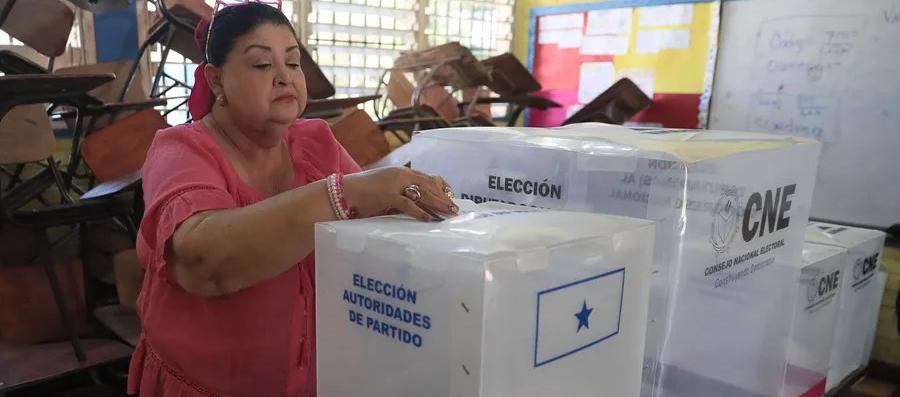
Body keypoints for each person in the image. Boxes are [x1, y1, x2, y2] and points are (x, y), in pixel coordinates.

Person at [127, 3, 457, 396]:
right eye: (262, 65)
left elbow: (374, 225)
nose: (284, 77)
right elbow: (203, 261)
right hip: (206, 384)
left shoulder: (315, 142)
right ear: (216, 81)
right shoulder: (181, 150)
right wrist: (346, 193)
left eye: (293, 63)